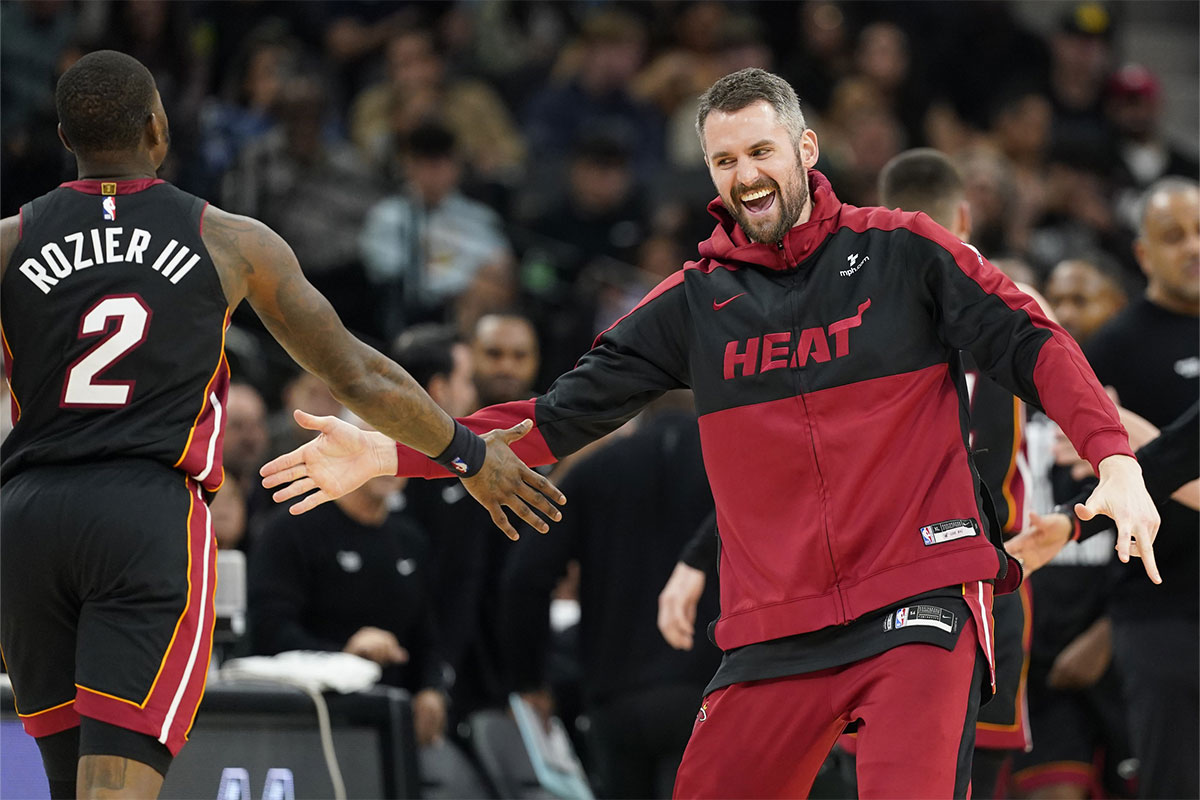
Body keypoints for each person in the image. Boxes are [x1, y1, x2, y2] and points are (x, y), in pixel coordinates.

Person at [262, 68, 1159, 798]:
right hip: (773, 627)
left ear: (805, 148)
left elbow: (1031, 340)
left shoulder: (904, 249)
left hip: (917, 595)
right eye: (725, 161)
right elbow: (555, 415)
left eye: (762, 149)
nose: (747, 174)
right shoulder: (694, 302)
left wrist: (1113, 456)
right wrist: (391, 452)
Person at [0, 51, 562, 800]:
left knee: (65, 786)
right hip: (145, 511)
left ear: (66, 133)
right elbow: (360, 376)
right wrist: (465, 453)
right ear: (158, 127)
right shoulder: (231, 240)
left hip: (27, 517)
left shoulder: (9, 240)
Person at [500, 393, 721, 798]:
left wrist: (529, 678)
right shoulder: (733, 466)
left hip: (615, 695)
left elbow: (525, 576)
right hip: (712, 689)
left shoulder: (594, 468)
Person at [1067, 177, 1198, 799]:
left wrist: (1142, 444)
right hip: (1157, 607)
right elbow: (1088, 482)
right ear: (1143, 254)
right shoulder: (1112, 349)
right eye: (1175, 237)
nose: (1194, 248)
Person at [249, 410, 450, 748]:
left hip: (393, 721)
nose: (387, 453)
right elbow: (268, 631)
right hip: (312, 720)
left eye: (399, 442)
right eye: (373, 438)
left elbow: (427, 634)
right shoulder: (293, 527)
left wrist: (432, 689)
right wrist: (344, 655)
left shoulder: (411, 539)